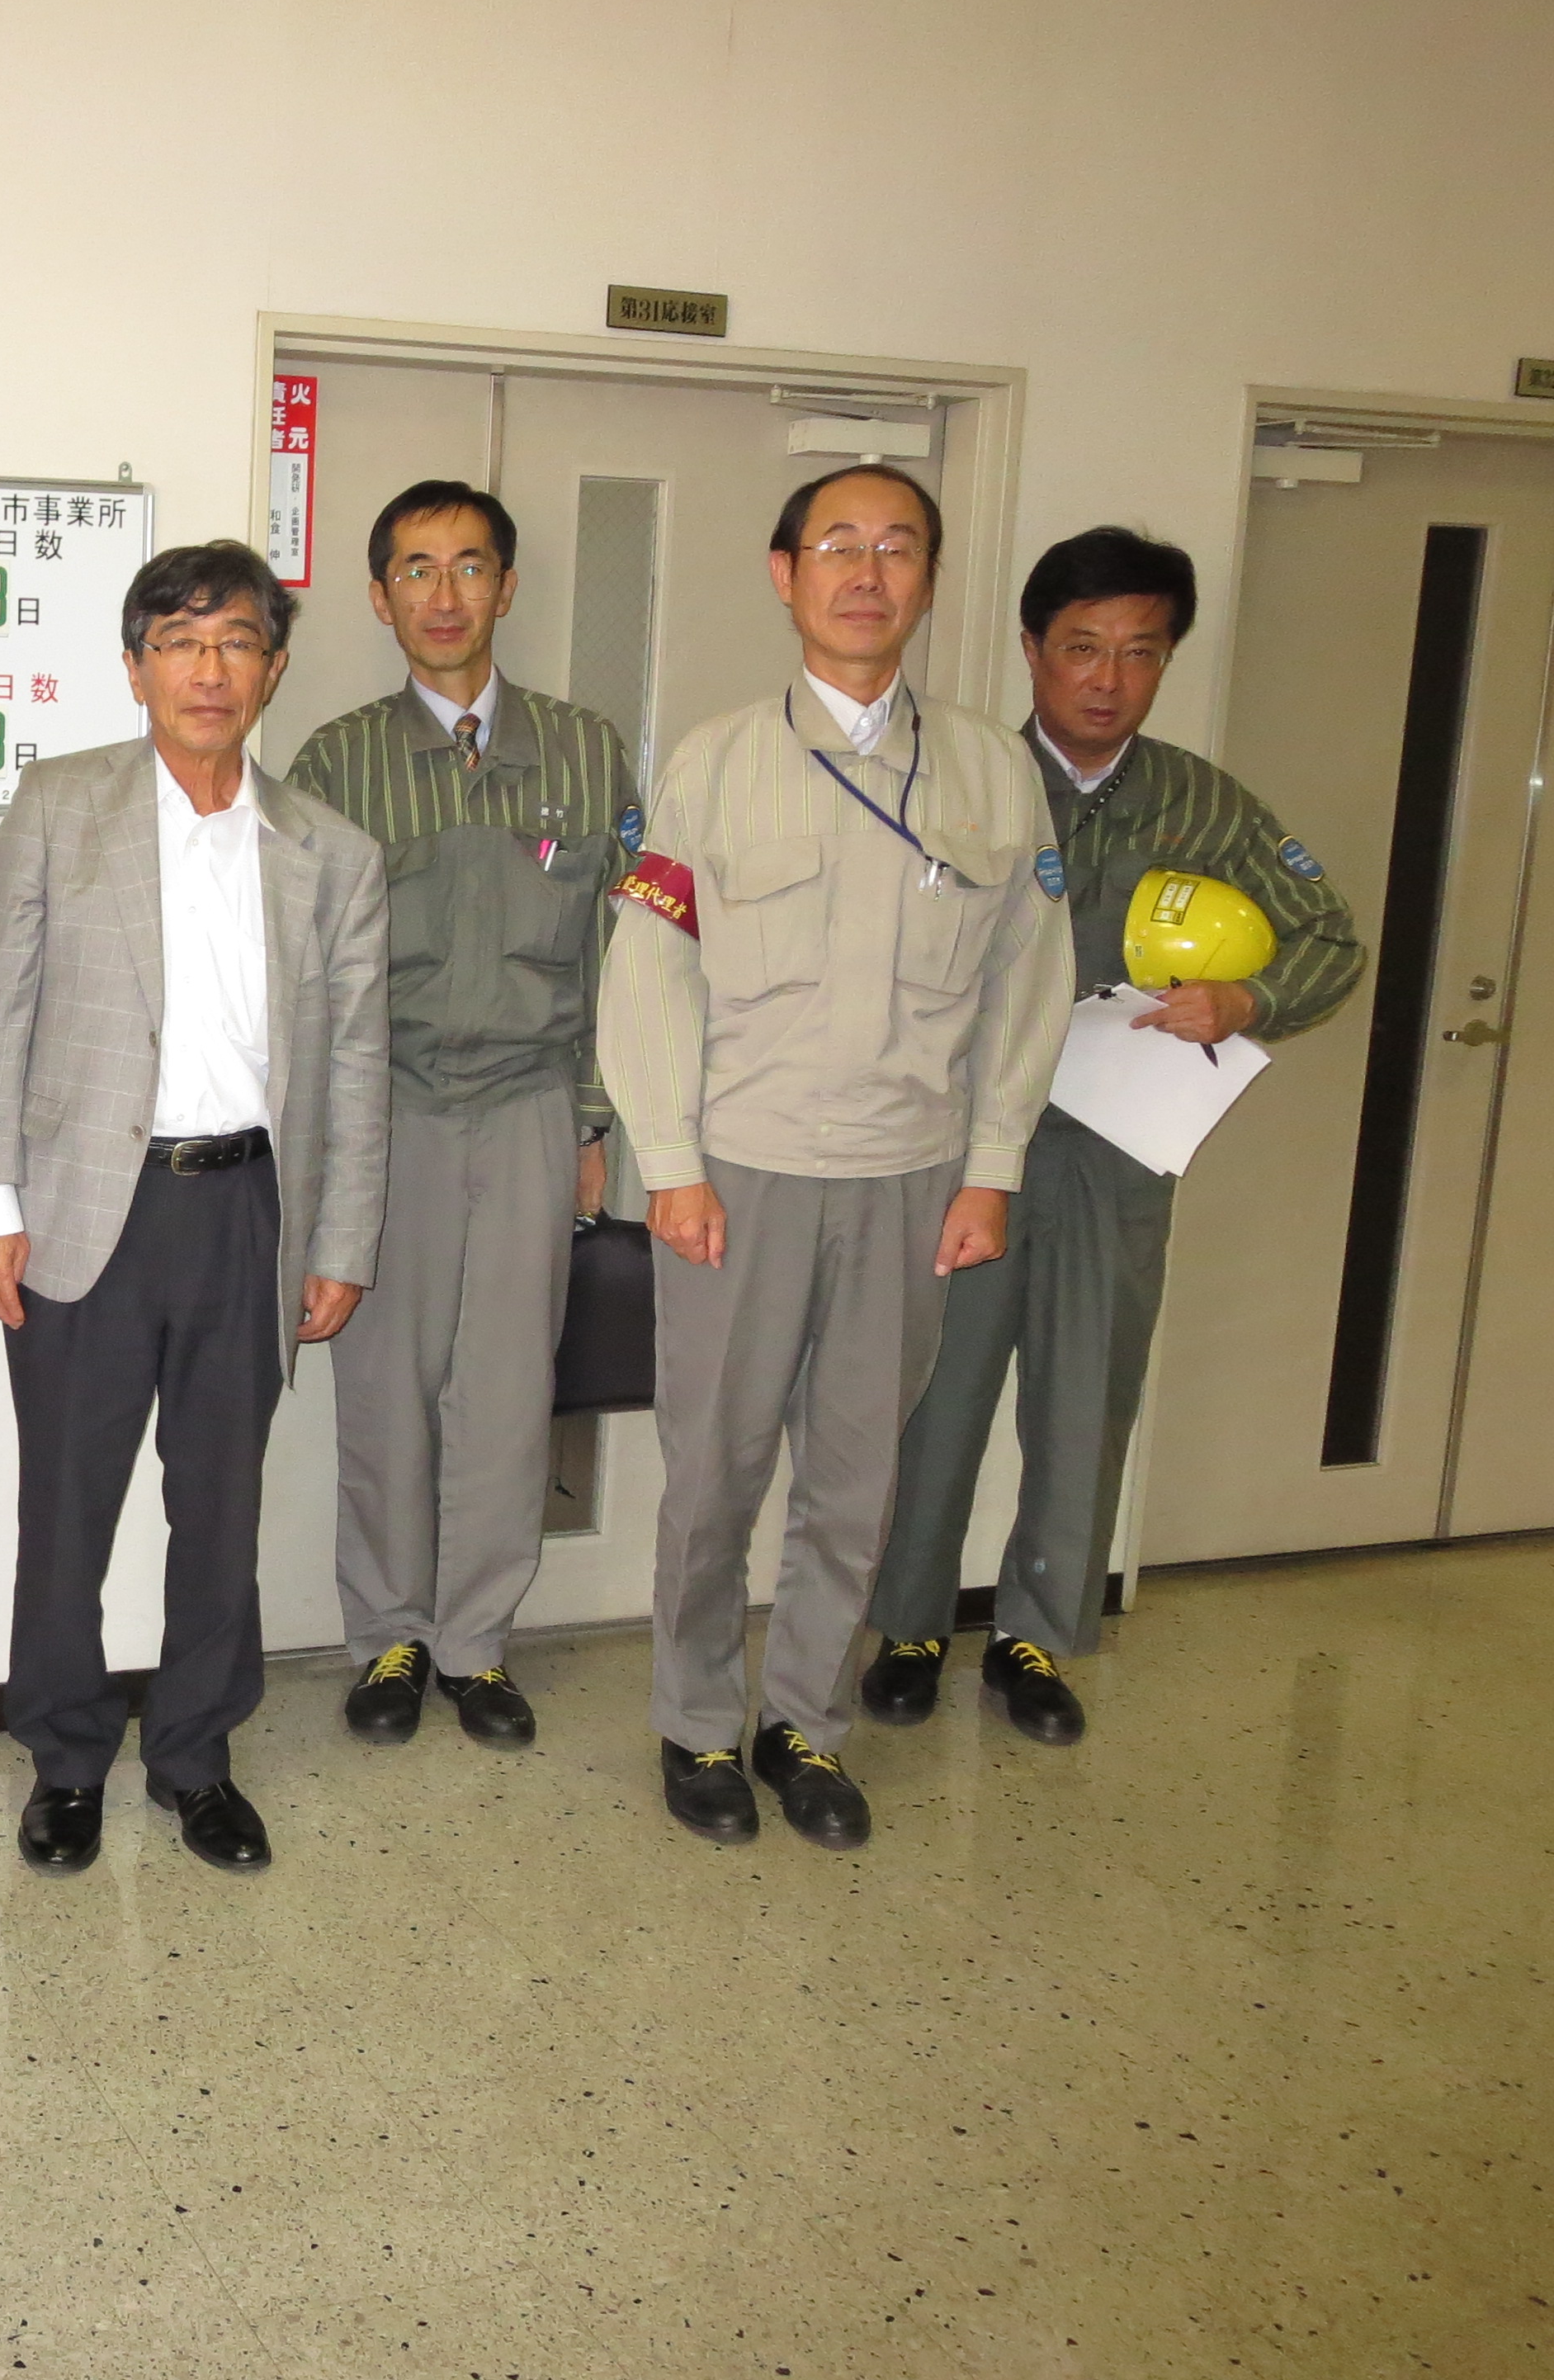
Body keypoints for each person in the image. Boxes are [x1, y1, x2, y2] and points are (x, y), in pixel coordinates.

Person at [601, 463, 1071, 1850]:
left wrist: (991, 1167)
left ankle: (804, 1723)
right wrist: (670, 1161)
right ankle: (697, 1723)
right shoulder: (716, 761)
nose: (867, 575)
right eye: (837, 547)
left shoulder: (990, 771)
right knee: (714, 1475)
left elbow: (1028, 985)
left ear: (929, 579)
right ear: (785, 573)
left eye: (897, 549)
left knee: (857, 1483)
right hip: (738, 1180)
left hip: (913, 1182)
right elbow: (650, 971)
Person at [862, 528, 1363, 1742]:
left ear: (1166, 660)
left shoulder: (1201, 801)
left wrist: (1246, 1001)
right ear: (1032, 650)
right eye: (1082, 647)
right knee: (938, 1389)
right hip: (965, 1145)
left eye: (1140, 652)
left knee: (1087, 1394)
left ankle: (1036, 1635)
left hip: (1122, 1146)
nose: (1107, 678)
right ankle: (912, 1624)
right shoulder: (962, 778)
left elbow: (1330, 939)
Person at [0, 539, 388, 1876]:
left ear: (272, 667)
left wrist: (340, 1240)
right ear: (136, 665)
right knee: (67, 1508)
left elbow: (355, 1062)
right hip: (85, 1211)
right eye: (181, 642)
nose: (210, 669)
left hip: (248, 1213)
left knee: (220, 1506)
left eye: (237, 641)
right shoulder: (60, 805)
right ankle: (64, 1757)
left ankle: (196, 1755)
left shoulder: (331, 851)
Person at [284, 480, 636, 1750]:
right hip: (391, 1114)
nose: (445, 595)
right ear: (381, 599)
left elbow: (621, 952)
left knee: (505, 1391)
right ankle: (386, 1637)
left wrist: (594, 1121)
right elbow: (308, 978)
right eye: (417, 571)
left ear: (507, 586)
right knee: (385, 1390)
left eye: (470, 566)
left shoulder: (586, 751)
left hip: (534, 1109)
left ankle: (477, 1645)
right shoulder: (338, 762)